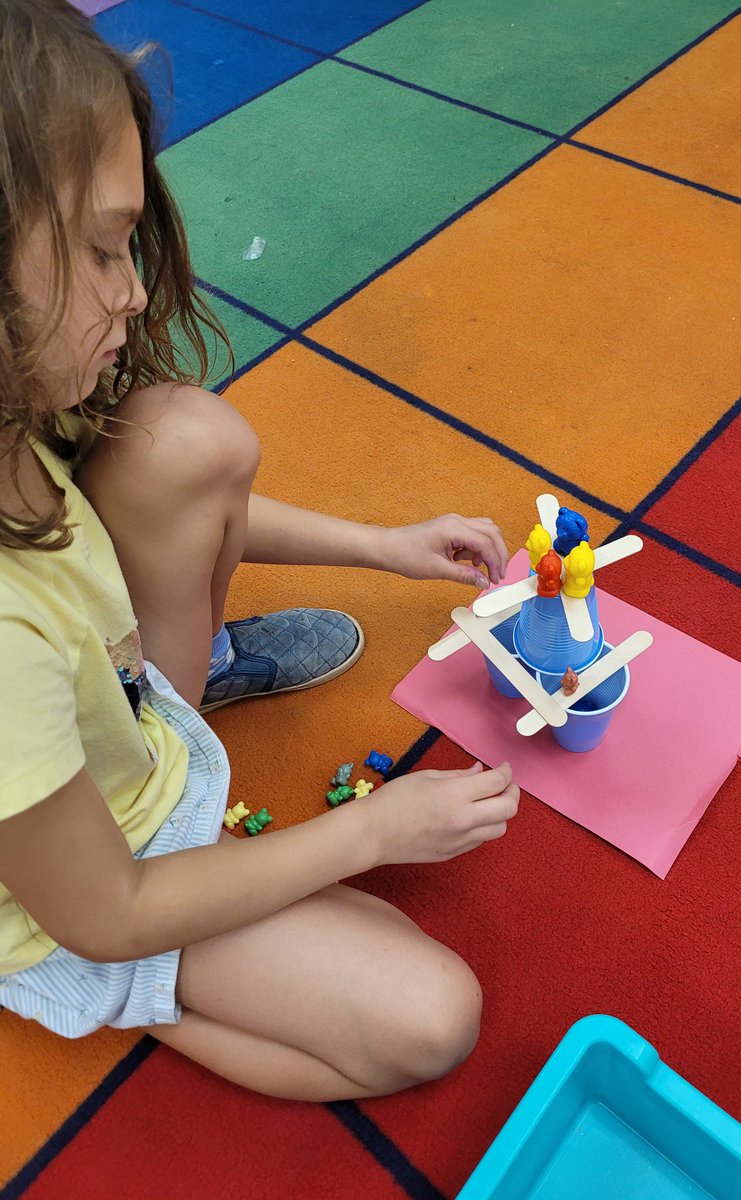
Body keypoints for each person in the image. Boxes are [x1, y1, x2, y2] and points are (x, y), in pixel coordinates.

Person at [0, 0, 519, 1101]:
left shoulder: (18, 411)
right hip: (80, 899)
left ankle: (151, 718)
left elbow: (187, 490)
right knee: (430, 1017)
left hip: (117, 737)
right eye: (100, 249)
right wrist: (369, 835)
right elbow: (106, 911)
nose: (134, 289)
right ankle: (114, 1004)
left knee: (185, 439)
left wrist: (384, 545)